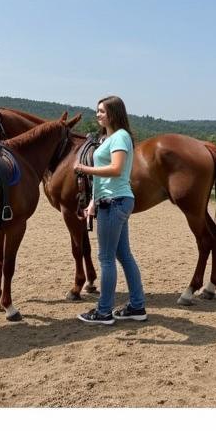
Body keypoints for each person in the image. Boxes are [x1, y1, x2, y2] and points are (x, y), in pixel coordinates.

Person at [72, 96, 147, 326]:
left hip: (115, 203)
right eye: (97, 111)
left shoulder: (121, 137)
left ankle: (104, 312)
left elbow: (116, 169)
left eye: (102, 111)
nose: (98, 114)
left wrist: (84, 168)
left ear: (113, 113)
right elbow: (102, 181)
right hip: (111, 201)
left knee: (105, 258)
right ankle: (137, 306)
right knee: (123, 255)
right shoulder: (108, 138)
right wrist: (93, 201)